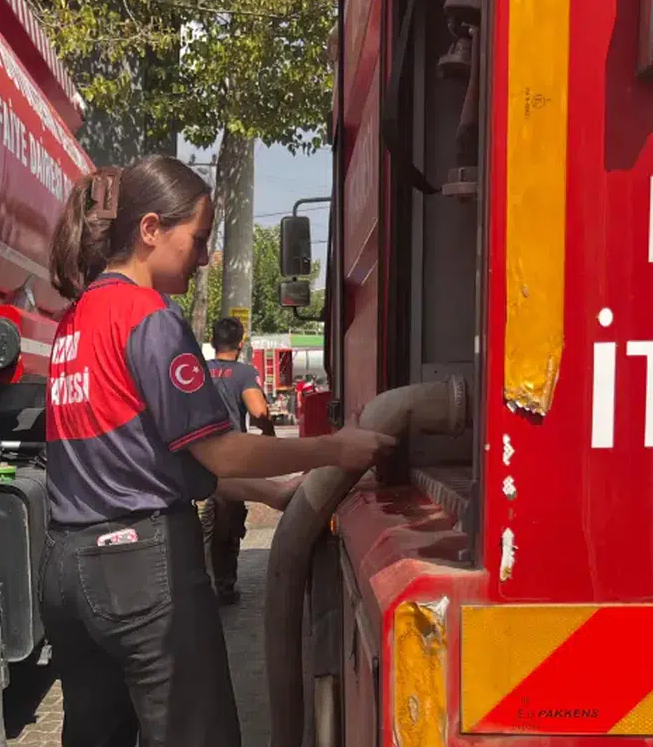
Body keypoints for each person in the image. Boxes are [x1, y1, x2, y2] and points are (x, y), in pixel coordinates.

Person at [39, 155, 398, 747]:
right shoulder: (150, 317)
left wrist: (275, 492)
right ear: (150, 228)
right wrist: (337, 447)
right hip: (143, 571)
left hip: (68, 574)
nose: (204, 257)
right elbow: (221, 453)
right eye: (198, 239)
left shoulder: (75, 322)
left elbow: (157, 463)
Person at [200, 316, 275, 604]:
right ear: (240, 344)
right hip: (229, 461)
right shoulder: (244, 373)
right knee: (227, 524)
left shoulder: (199, 371)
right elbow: (258, 411)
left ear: (211, 342)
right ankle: (225, 585)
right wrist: (268, 434)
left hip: (196, 458)